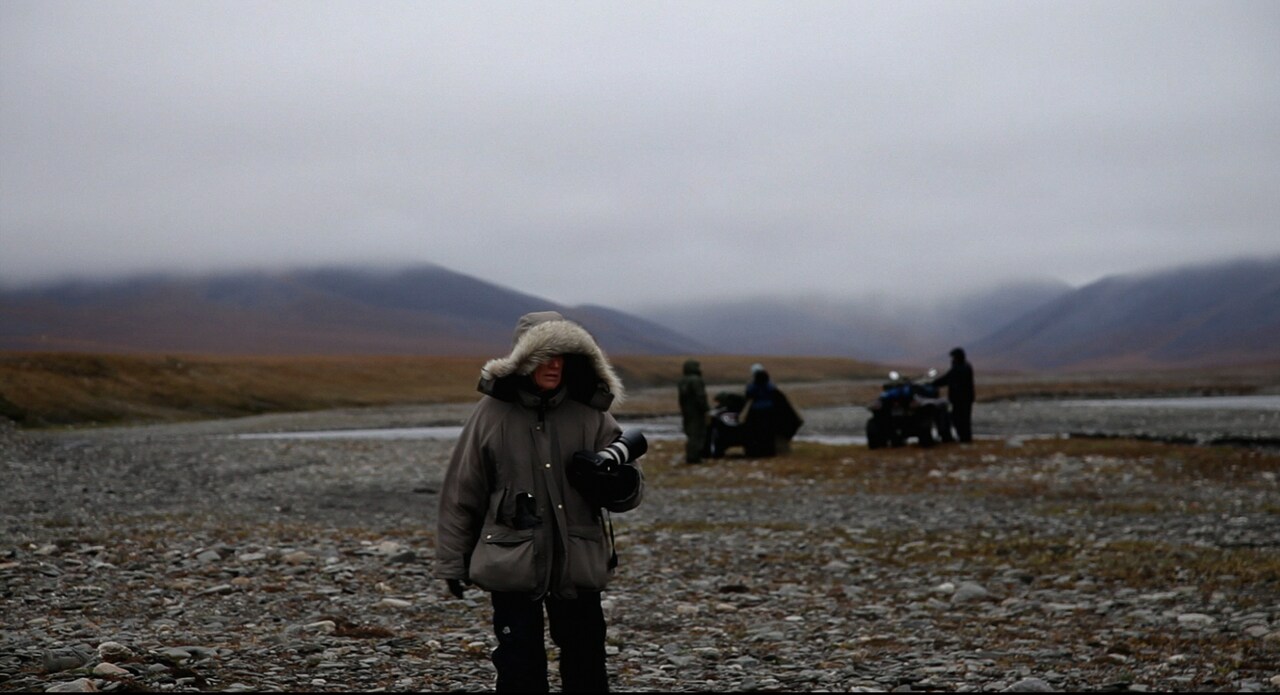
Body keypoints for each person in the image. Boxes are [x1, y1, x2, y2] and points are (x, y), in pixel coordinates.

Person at [436, 311, 645, 692]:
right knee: (519, 665)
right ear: (523, 359)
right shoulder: (490, 416)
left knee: (587, 662)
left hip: (576, 560)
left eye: (562, 355)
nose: (554, 365)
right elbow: (463, 492)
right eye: (545, 355)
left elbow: (630, 489)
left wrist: (618, 484)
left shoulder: (590, 414)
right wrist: (453, 561)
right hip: (511, 562)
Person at [741, 364, 802, 457]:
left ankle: (755, 451)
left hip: (756, 412)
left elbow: (748, 395)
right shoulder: (770, 385)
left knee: (755, 433)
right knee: (768, 433)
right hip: (769, 412)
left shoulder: (752, 385)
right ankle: (768, 451)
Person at [932, 347, 976, 443]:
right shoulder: (964, 366)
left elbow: (948, 378)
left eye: (954, 357)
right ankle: (964, 438)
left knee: (960, 419)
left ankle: (965, 438)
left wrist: (934, 383)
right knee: (962, 419)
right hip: (962, 399)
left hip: (962, 399)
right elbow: (948, 378)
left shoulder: (961, 368)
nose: (952, 359)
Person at [677, 358, 710, 464]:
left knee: (690, 433)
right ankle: (694, 457)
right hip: (697, 411)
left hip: (687, 411)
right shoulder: (696, 380)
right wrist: (706, 409)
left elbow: (681, 399)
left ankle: (691, 455)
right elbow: (700, 396)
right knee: (697, 434)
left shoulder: (682, 381)